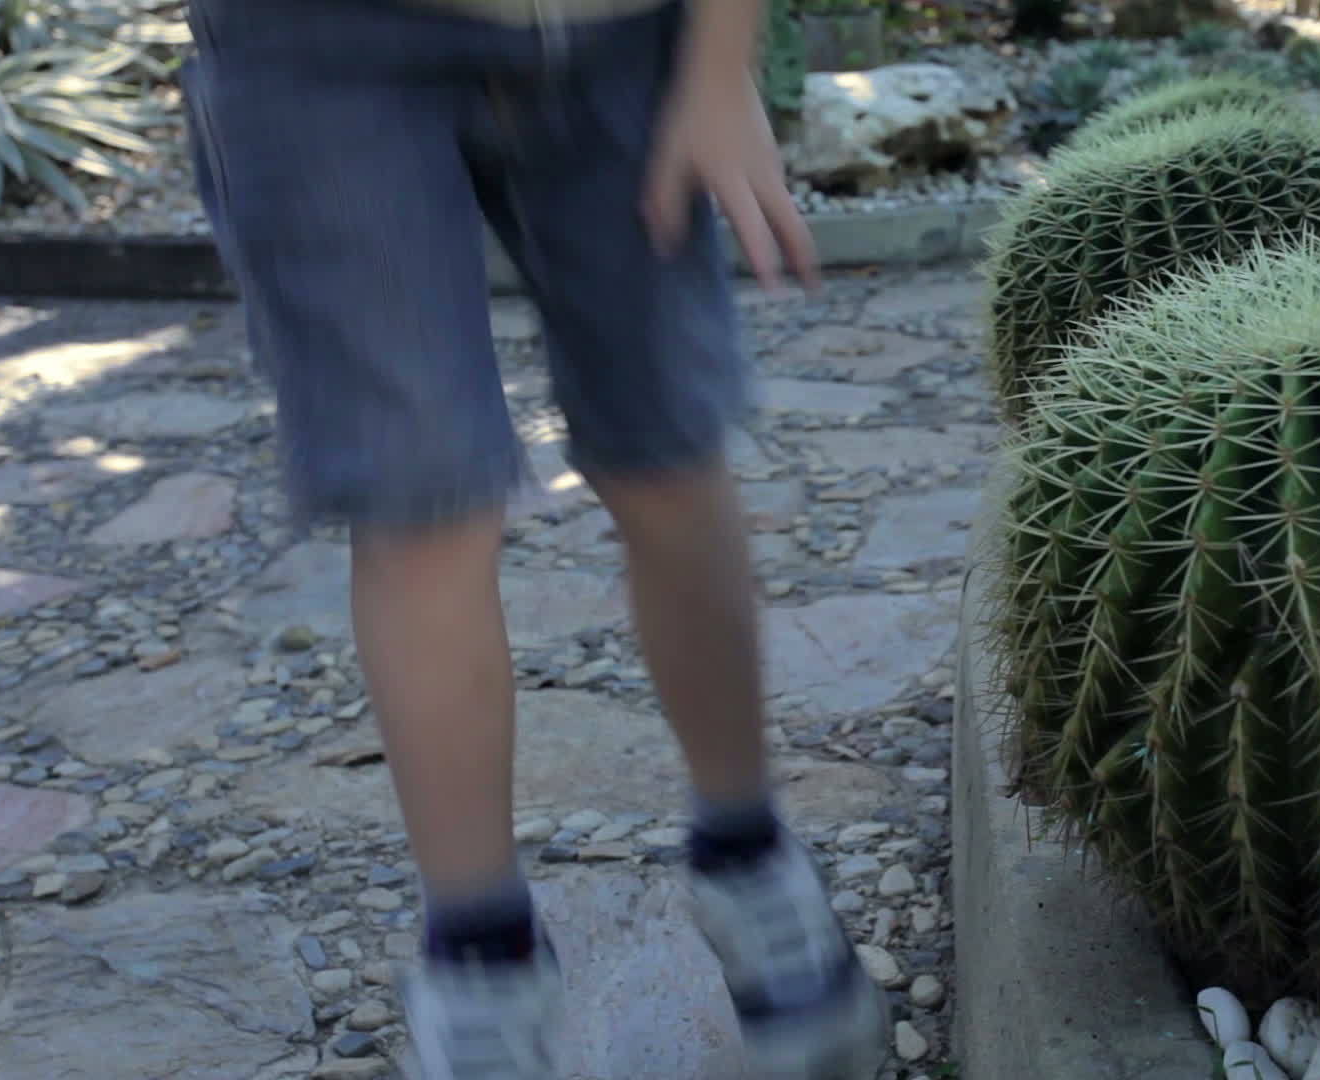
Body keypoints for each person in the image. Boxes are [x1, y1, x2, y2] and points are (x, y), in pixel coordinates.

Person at [177, 0, 887, 1076]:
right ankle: (482, 967)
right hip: (313, 51)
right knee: (418, 499)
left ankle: (751, 862)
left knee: (665, 450)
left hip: (628, 36)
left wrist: (718, 63)